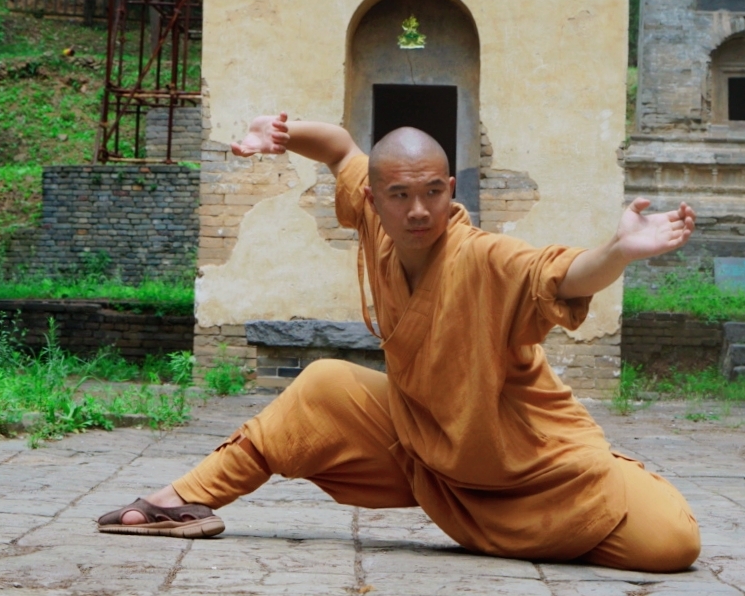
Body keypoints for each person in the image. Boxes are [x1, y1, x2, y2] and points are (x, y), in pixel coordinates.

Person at [97, 113, 702, 573]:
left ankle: (556, 512)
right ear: (373, 200)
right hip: (425, 443)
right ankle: (175, 502)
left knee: (674, 543)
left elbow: (561, 273)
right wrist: (284, 132)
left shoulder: (482, 256)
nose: (419, 210)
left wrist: (619, 252)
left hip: (527, 460)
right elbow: (339, 148)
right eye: (401, 196)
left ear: (449, 187)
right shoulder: (377, 222)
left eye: (434, 191)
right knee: (324, 386)